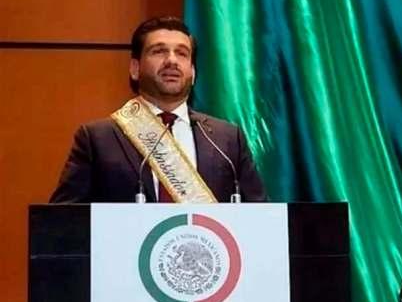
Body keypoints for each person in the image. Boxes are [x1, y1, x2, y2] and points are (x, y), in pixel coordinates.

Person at [50, 16, 266, 203]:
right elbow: (63, 222)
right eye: (159, 51)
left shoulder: (226, 140)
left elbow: (260, 217)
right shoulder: (97, 139)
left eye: (182, 53)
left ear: (193, 72)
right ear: (135, 68)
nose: (171, 60)